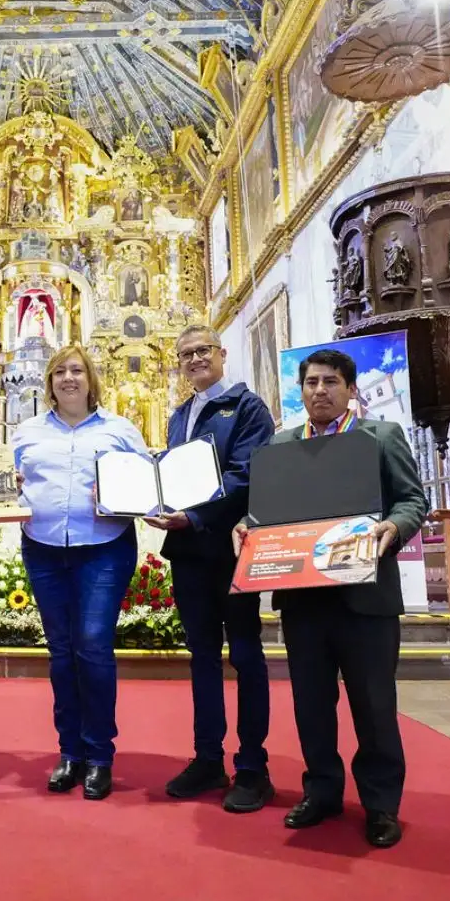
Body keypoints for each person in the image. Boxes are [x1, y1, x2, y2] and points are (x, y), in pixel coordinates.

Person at [238, 347, 428, 847]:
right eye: (311, 383)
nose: (320, 391)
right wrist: (248, 529)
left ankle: (381, 805)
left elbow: (413, 499)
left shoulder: (379, 437)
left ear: (349, 388)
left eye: (330, 382)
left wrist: (395, 525)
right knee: (311, 706)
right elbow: (267, 514)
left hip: (365, 597)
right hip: (304, 599)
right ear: (301, 391)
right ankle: (321, 791)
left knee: (374, 705)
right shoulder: (282, 446)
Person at [145, 324, 277, 812]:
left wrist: (196, 516)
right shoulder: (181, 415)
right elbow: (177, 477)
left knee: (244, 655)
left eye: (203, 351)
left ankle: (252, 766)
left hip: (231, 546)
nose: (195, 359)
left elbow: (248, 476)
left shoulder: (246, 407)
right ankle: (207, 757)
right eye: (186, 355)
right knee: (201, 655)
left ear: (222, 354)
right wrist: (151, 496)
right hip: (191, 552)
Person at [11, 345, 144, 800]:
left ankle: (100, 756)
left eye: (77, 371)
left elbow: (146, 488)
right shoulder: (27, 431)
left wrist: (124, 495)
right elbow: (17, 480)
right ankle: (69, 752)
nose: (68, 379)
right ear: (49, 382)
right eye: (60, 372)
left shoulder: (120, 429)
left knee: (92, 647)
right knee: (62, 652)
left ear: (91, 379)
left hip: (103, 549)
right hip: (44, 548)